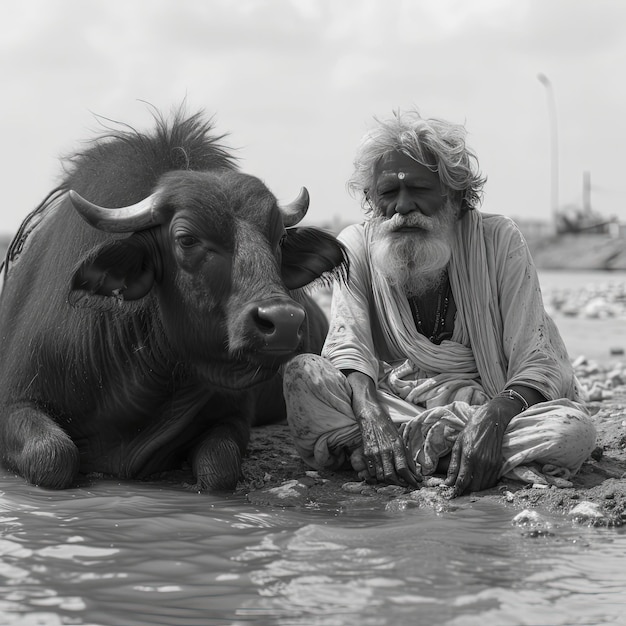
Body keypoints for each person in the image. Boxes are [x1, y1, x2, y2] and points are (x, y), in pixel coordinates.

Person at [283, 108, 596, 497]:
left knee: (573, 431)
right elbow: (349, 348)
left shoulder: (499, 241)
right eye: (388, 193)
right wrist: (372, 416)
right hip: (395, 405)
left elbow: (536, 359)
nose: (402, 206)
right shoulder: (358, 245)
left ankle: (400, 455)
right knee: (303, 375)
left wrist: (492, 420)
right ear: (371, 199)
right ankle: (455, 455)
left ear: (456, 196)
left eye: (419, 190)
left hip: (491, 403)